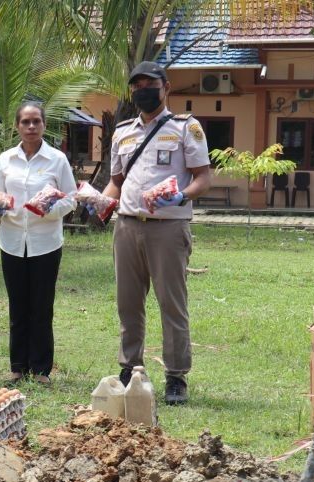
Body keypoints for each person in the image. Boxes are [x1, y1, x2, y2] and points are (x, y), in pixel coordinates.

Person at [102, 61, 211, 405]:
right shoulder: (122, 132)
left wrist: (183, 195)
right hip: (127, 226)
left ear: (166, 87)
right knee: (128, 304)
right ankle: (130, 367)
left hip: (168, 228)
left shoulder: (185, 128)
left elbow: (203, 177)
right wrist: (98, 202)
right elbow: (116, 182)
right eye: (137, 86)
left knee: (171, 304)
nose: (142, 90)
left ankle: (176, 376)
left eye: (150, 84)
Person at [0, 103, 76, 386]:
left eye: (36, 121)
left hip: (45, 242)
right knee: (17, 304)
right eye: (25, 122)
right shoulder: (6, 159)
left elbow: (71, 198)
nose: (31, 127)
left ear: (43, 124)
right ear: (17, 126)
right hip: (12, 241)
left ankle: (41, 370)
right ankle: (17, 367)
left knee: (41, 306)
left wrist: (46, 210)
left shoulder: (57, 159)